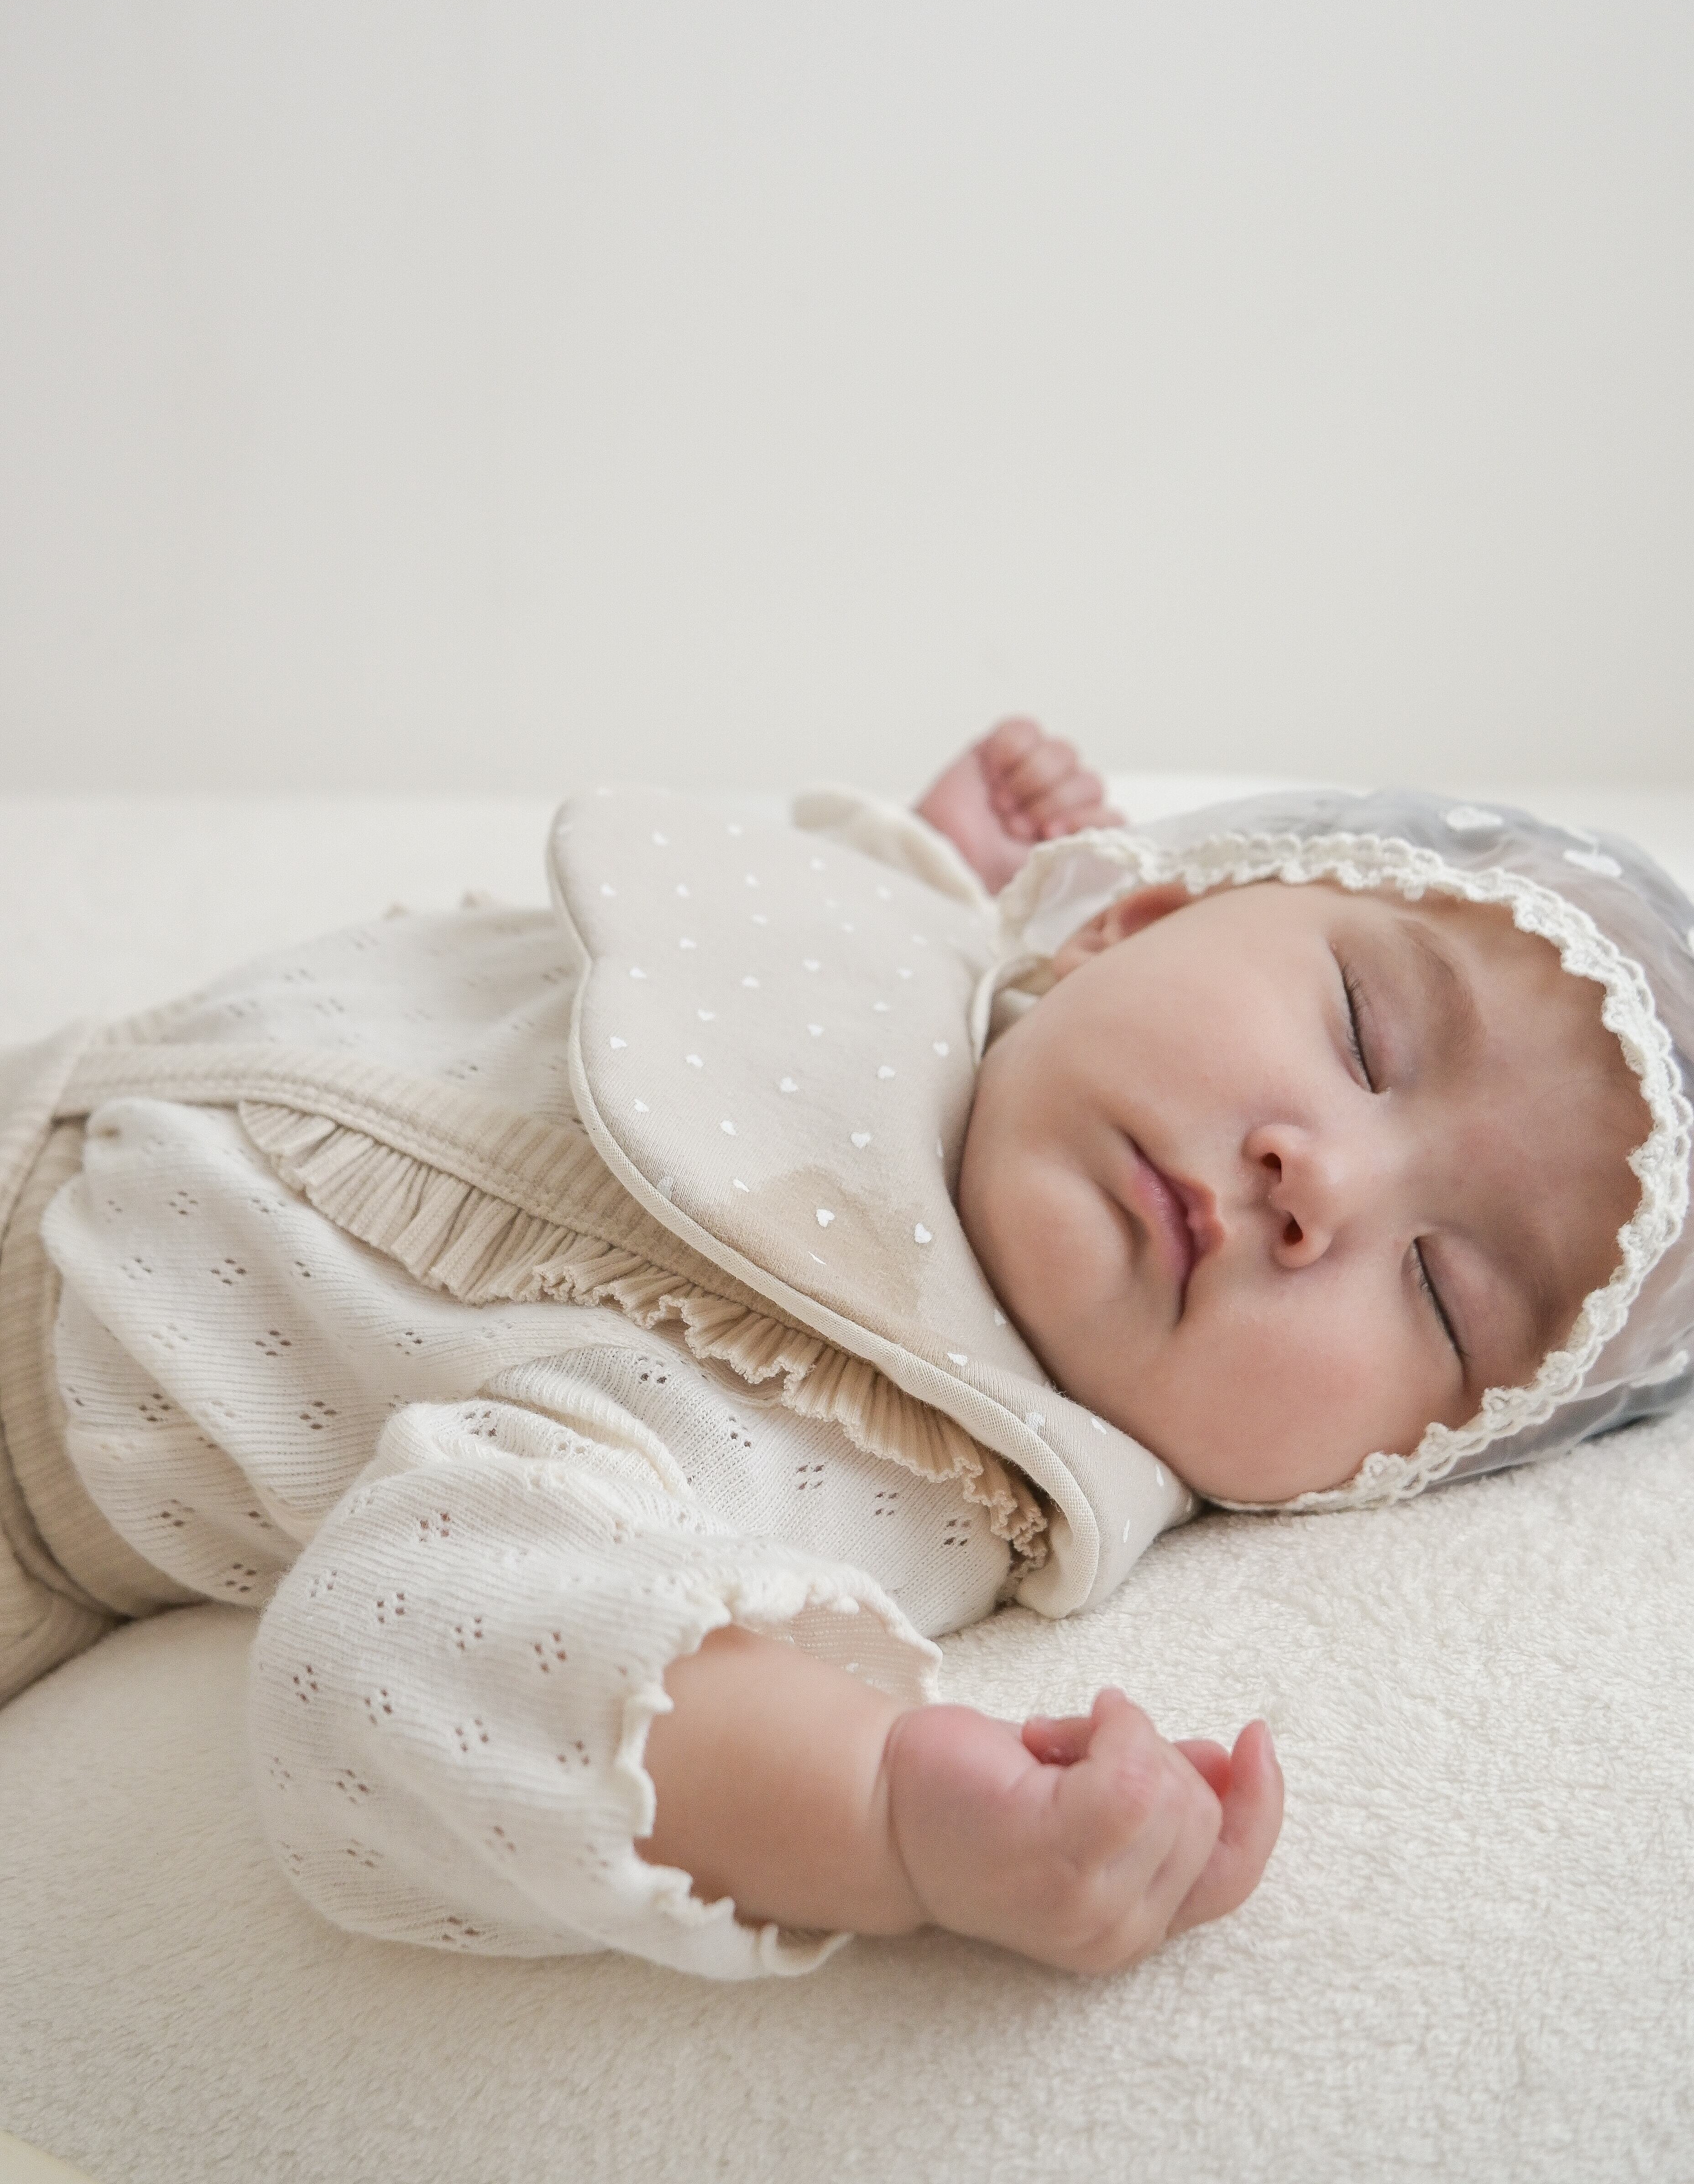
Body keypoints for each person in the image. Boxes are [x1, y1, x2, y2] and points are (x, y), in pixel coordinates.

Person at [0, 723, 1688, 1979]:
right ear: (1137, 916)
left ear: (1370, 1476)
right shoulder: (950, 954)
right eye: (1365, 1031)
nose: (1321, 1184)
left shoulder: (896, 1455)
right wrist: (938, 855)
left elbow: (428, 1639)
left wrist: (883, 1813)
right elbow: (789, 955)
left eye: (1444, 1296)